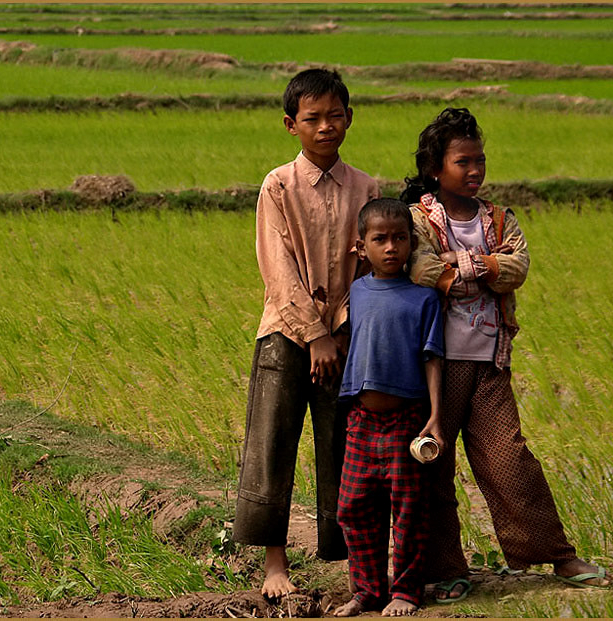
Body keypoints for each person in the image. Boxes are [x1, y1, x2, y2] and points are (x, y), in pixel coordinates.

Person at [401, 107, 612, 603]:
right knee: (434, 462)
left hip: (490, 362)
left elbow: (518, 266)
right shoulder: (418, 218)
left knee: (510, 459)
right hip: (438, 364)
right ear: (435, 167)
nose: (475, 170)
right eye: (463, 162)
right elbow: (424, 270)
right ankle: (445, 567)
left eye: (481, 161)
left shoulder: (498, 217)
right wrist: (483, 266)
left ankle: (557, 554)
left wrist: (465, 263)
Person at [232, 68, 380, 598]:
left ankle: (349, 560)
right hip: (285, 334)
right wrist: (315, 334)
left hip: (346, 336)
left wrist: (339, 331)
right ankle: (276, 563)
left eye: (334, 116)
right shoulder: (277, 186)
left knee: (343, 446)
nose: (325, 127)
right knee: (273, 443)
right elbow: (277, 269)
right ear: (290, 125)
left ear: (349, 119)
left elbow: (371, 266)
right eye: (312, 118)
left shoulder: (367, 188)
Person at [332, 198, 445, 617]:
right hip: (361, 419)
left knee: (409, 509)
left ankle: (407, 591)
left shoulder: (424, 299)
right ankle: (367, 590)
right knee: (353, 506)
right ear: (362, 248)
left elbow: (433, 358)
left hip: (407, 421)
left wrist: (435, 416)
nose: (391, 247)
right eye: (380, 239)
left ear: (411, 243)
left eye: (400, 238)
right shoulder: (356, 292)